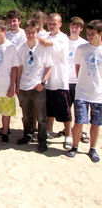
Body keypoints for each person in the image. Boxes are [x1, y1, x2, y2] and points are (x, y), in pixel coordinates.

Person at [66, 19, 102, 163]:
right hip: (82, 91)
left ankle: (92, 149)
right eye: (88, 33)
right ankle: (74, 146)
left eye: (93, 34)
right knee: (79, 121)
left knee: (96, 123)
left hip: (98, 94)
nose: (89, 36)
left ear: (100, 34)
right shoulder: (81, 49)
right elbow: (78, 69)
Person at [16, 20, 53, 152]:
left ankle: (42, 140)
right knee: (26, 115)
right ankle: (27, 135)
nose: (30, 35)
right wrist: (17, 85)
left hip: (38, 87)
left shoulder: (43, 48)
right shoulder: (21, 48)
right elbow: (19, 67)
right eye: (28, 32)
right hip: (24, 87)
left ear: (37, 32)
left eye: (33, 32)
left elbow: (49, 67)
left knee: (42, 117)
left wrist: (43, 82)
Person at [38, 13, 72, 149]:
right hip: (48, 80)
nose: (51, 26)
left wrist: (34, 36)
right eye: (49, 23)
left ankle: (68, 135)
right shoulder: (45, 35)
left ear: (60, 24)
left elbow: (46, 43)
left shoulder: (63, 38)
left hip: (60, 80)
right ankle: (49, 130)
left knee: (65, 110)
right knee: (49, 108)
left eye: (54, 23)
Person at [68, 17, 89, 143]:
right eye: (72, 26)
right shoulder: (64, 40)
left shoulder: (84, 44)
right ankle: (69, 131)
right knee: (66, 108)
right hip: (65, 81)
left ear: (81, 29)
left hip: (79, 81)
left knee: (80, 109)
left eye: (77, 27)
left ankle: (81, 130)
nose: (74, 29)